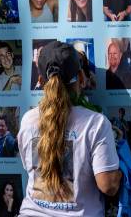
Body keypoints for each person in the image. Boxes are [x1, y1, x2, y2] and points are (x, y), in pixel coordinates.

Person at [18, 41, 121, 214]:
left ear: (41, 80)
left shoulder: (28, 120)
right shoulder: (96, 123)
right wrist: (120, 174)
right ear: (81, 78)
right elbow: (108, 186)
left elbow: (29, 167)